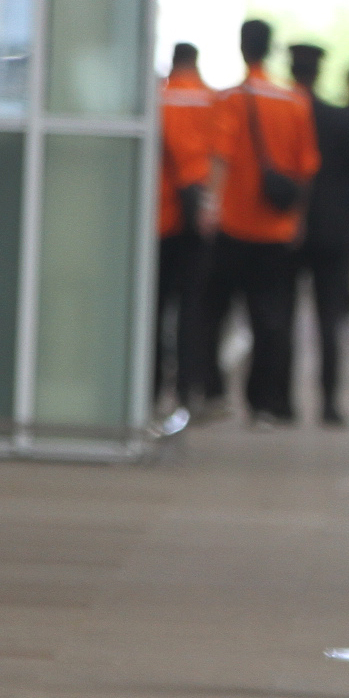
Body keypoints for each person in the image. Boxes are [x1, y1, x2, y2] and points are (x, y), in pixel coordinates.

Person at [197, 19, 320, 426]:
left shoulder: (230, 99)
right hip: (277, 229)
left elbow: (220, 156)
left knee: (213, 312)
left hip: (233, 225)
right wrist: (299, 219)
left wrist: (210, 207)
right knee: (273, 319)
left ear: (241, 47)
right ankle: (267, 402)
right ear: (270, 49)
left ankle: (212, 391)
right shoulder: (295, 102)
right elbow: (306, 169)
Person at [293, 44, 349, 426]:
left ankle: (274, 399)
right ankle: (328, 401)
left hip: (286, 227)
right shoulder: (343, 120)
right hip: (334, 230)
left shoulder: (282, 111)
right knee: (329, 318)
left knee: (277, 316)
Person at [154, 42, 213, 428]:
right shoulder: (211, 101)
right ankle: (191, 389)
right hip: (197, 219)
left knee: (155, 307)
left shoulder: (156, 100)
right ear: (195, 62)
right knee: (194, 308)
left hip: (159, 219)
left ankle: (151, 386)